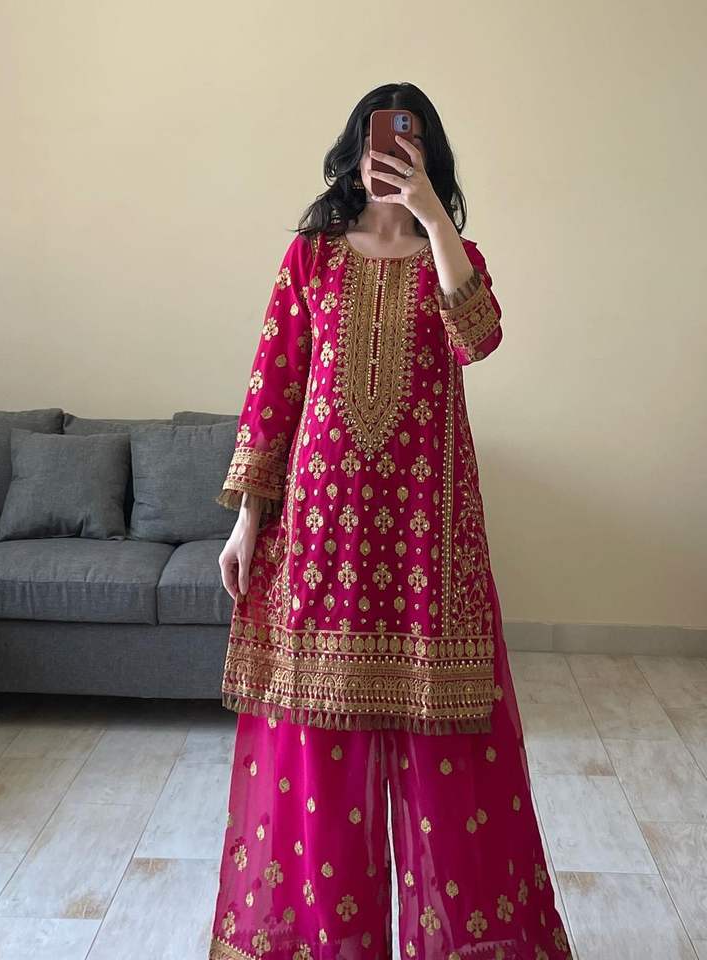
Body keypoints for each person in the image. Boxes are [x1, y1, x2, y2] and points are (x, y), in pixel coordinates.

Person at [208, 82, 573, 960]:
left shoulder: (454, 255)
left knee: (447, 742)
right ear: (355, 149)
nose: (391, 159)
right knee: (318, 746)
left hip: (426, 535)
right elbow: (273, 387)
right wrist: (247, 521)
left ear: (427, 155)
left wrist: (432, 216)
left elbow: (478, 337)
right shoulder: (312, 256)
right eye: (380, 144)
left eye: (408, 147)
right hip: (319, 531)